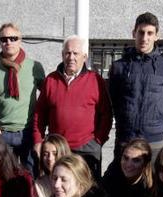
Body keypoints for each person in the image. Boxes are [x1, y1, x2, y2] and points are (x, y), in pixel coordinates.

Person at [32, 35, 113, 178]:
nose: (71, 57)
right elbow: (40, 113)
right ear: (62, 55)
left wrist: (98, 141)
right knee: (59, 190)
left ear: (84, 56)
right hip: (58, 149)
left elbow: (106, 114)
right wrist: (38, 140)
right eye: (68, 53)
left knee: (87, 193)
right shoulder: (51, 80)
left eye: (76, 53)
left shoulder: (95, 80)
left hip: (86, 149)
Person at [108, 12, 163, 158]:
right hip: (126, 138)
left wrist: (159, 128)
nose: (144, 38)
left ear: (157, 36)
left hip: (154, 139)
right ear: (134, 33)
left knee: (153, 180)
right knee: (122, 179)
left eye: (150, 33)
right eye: (141, 32)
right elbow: (113, 101)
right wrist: (123, 124)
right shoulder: (119, 67)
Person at [0, 22, 45, 173]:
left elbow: (46, 98)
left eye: (13, 38)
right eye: (4, 39)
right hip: (3, 133)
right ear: (0, 43)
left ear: (20, 40)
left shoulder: (35, 67)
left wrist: (41, 127)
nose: (8, 42)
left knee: (30, 178)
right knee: (5, 178)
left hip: (28, 132)